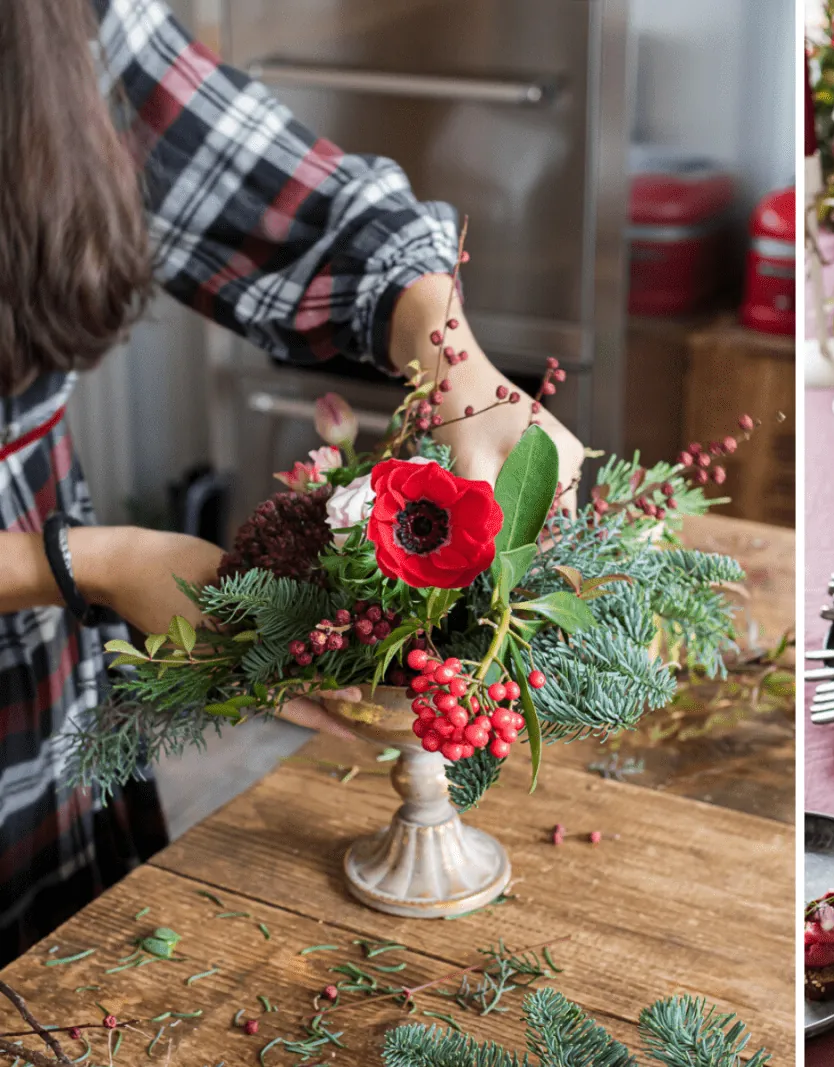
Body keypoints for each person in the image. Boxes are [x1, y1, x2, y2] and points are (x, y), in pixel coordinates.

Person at [0, 0, 583, 962]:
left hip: (42, 673)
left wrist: (455, 360)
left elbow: (311, 214)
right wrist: (94, 564)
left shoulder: (56, 19)